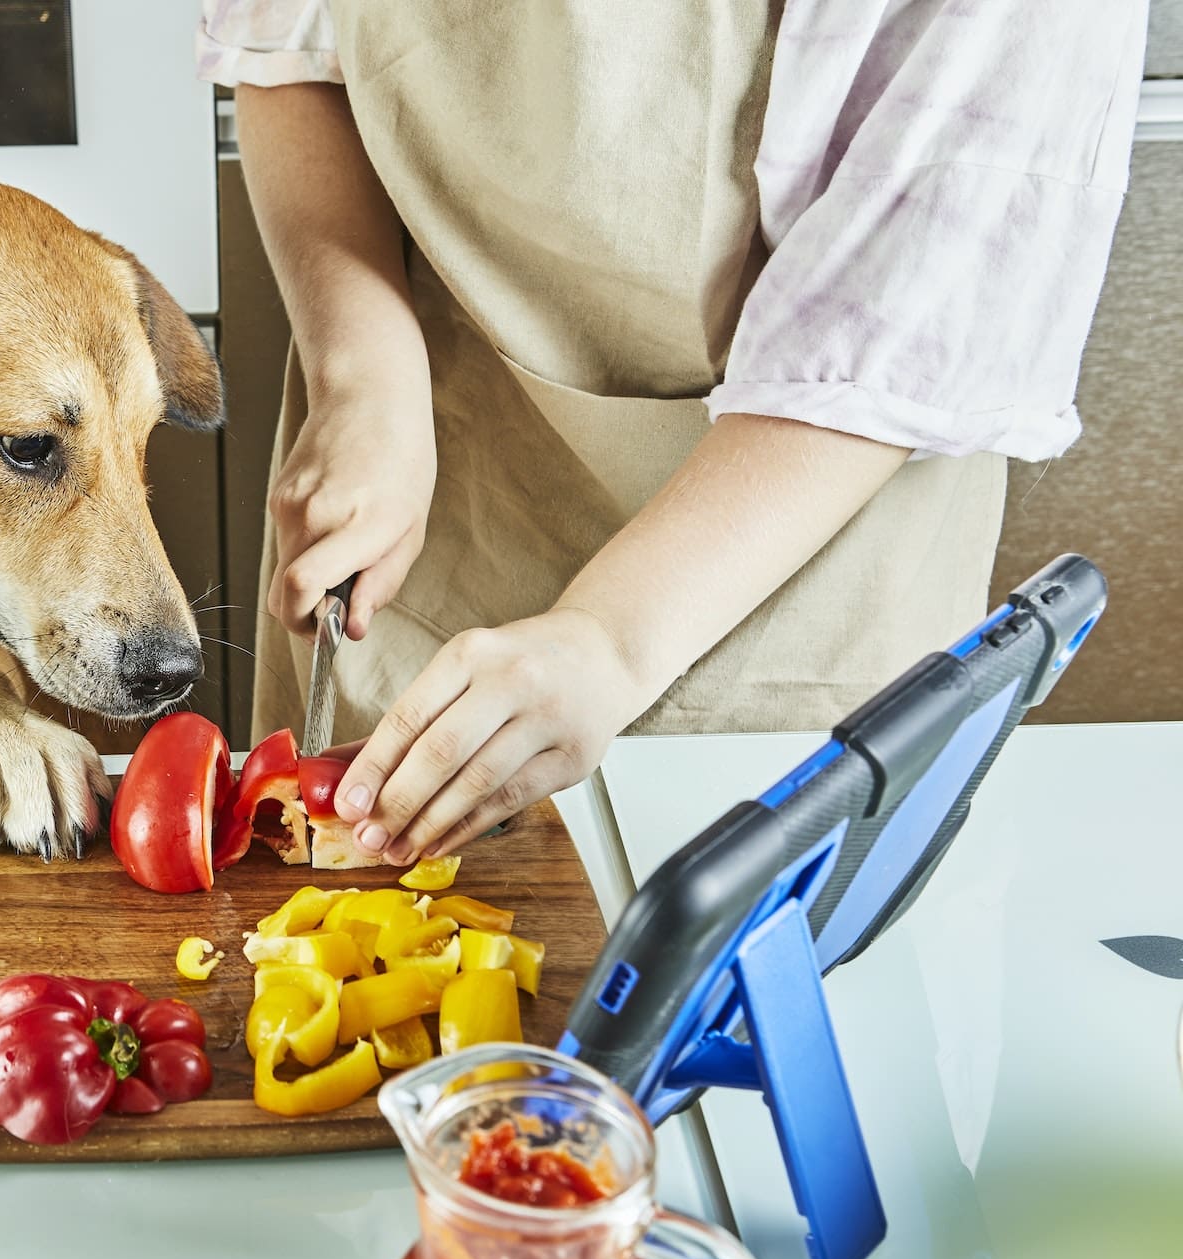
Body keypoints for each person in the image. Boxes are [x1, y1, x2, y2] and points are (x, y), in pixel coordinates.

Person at [200, 0, 1145, 867]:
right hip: (439, 478)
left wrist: (611, 639)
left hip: (801, 551)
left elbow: (914, 292)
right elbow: (291, 45)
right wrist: (364, 372)